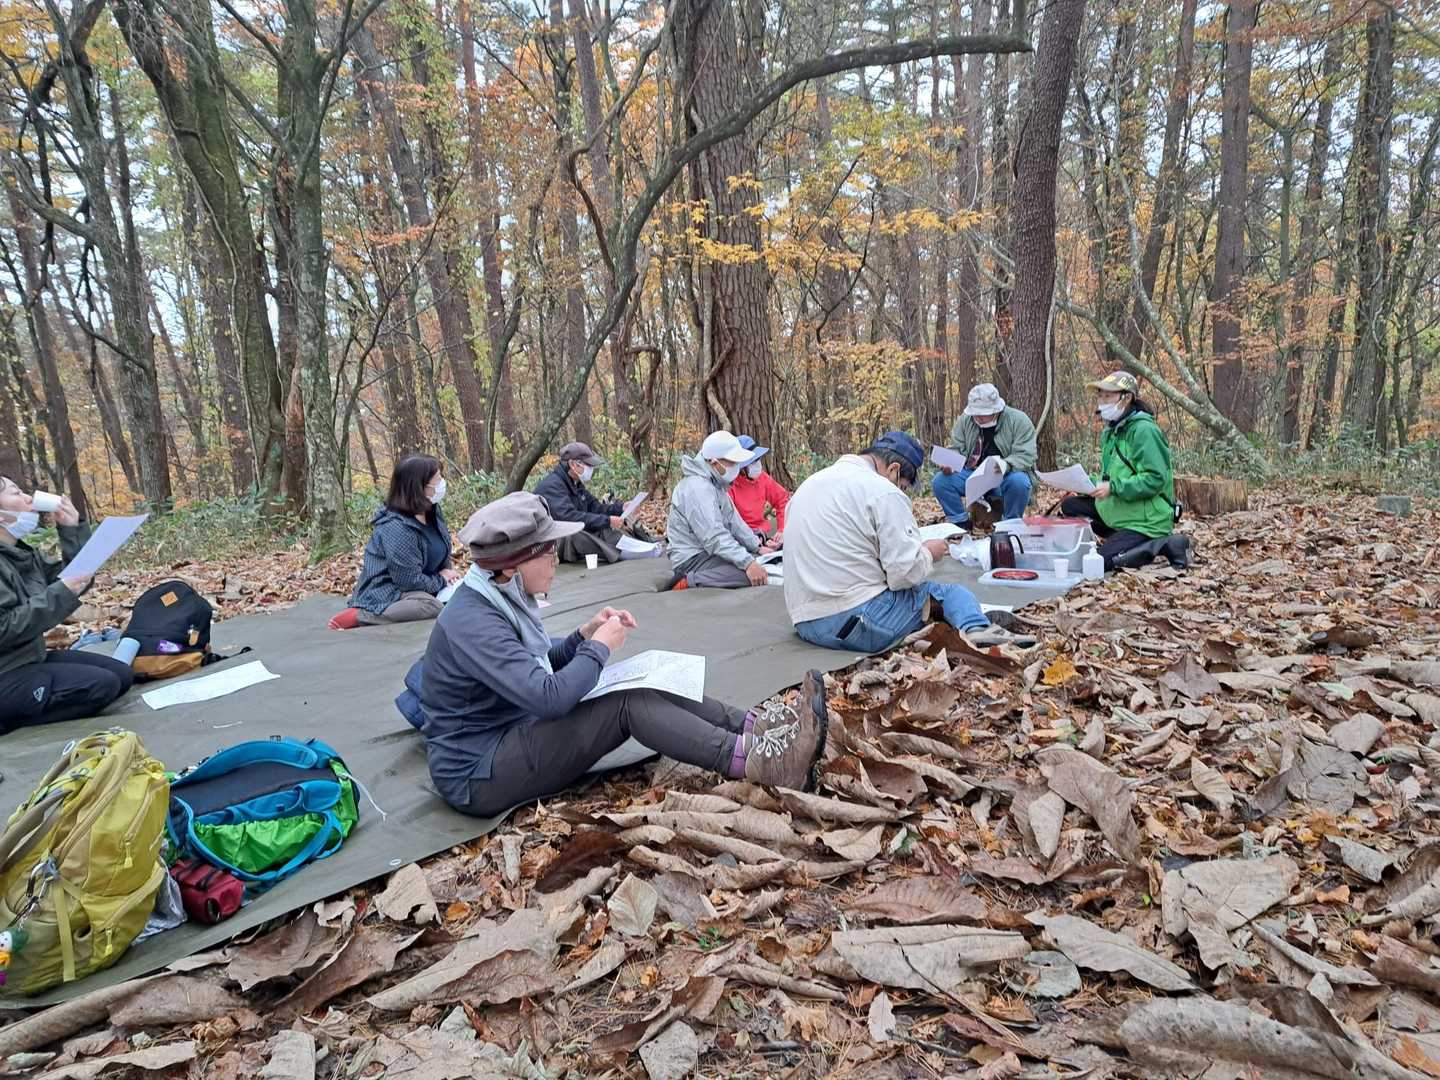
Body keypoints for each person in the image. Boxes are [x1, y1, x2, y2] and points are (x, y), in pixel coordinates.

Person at [414, 492, 830, 818]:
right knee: (627, 705)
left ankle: (757, 728)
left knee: (647, 681)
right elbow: (549, 697)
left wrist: (582, 636)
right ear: (512, 564)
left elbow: (533, 662)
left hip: (510, 733)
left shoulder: (496, 594)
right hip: (479, 774)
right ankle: (760, 763)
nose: (557, 560)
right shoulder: (474, 620)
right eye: (549, 550)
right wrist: (600, 647)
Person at [783, 431, 1032, 653]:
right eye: (903, 486)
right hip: (857, 622)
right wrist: (928, 553)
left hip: (807, 624)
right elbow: (903, 574)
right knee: (949, 593)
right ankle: (978, 629)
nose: (901, 491)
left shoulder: (810, 484)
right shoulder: (882, 490)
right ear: (893, 470)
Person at [0, 475, 132, 733]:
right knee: (101, 686)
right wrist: (64, 590)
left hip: (28, 658)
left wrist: (71, 529)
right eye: (16, 493)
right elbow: (4, 628)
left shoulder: (21, 553)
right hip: (6, 671)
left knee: (122, 675)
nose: (28, 498)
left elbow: (72, 580)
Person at [1054, 371, 1189, 571]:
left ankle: (1164, 543)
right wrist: (1082, 483)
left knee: (1099, 563)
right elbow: (1111, 476)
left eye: (1108, 396)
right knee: (1070, 506)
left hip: (1146, 520)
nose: (1102, 402)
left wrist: (1113, 487)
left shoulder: (1144, 431)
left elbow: (1155, 479)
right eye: (1100, 396)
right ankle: (1120, 538)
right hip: (1121, 509)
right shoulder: (1112, 431)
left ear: (1127, 398)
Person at [329, 454, 457, 630]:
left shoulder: (432, 510)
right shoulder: (396, 528)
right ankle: (361, 615)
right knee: (431, 607)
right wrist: (441, 580)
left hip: (426, 585)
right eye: (438, 479)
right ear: (418, 487)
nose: (442, 482)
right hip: (390, 592)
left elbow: (442, 549)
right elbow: (409, 581)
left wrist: (449, 576)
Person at [666, 430, 774, 590]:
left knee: (758, 564)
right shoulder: (698, 488)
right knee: (747, 575)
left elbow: (734, 521)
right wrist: (748, 563)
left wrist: (757, 547)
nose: (736, 467)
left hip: (707, 553)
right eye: (732, 462)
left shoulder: (715, 484)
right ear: (714, 462)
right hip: (691, 558)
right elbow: (713, 536)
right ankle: (687, 581)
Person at [533, 442, 658, 564]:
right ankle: (619, 554)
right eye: (588, 465)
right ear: (573, 464)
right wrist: (607, 521)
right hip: (553, 543)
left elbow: (595, 507)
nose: (591, 469)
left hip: (571, 532)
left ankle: (639, 548)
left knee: (603, 527)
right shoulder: (552, 486)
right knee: (578, 534)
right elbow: (569, 518)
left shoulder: (575, 483)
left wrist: (621, 508)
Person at [932, 383, 1037, 526]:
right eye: (975, 413)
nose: (979, 417)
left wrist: (1005, 465)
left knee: (1020, 482)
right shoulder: (965, 420)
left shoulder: (1019, 420)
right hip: (972, 474)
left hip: (1006, 475)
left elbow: (1025, 455)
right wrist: (950, 461)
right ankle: (960, 523)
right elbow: (957, 447)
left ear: (996, 410)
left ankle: (1010, 524)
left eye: (983, 414)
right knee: (941, 481)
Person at [729, 436, 790, 542]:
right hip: (742, 538)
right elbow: (729, 521)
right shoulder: (730, 486)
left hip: (764, 534)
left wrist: (781, 530)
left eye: (757, 459)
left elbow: (782, 498)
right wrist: (755, 542)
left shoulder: (762, 478)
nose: (757, 464)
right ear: (741, 467)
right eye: (752, 462)